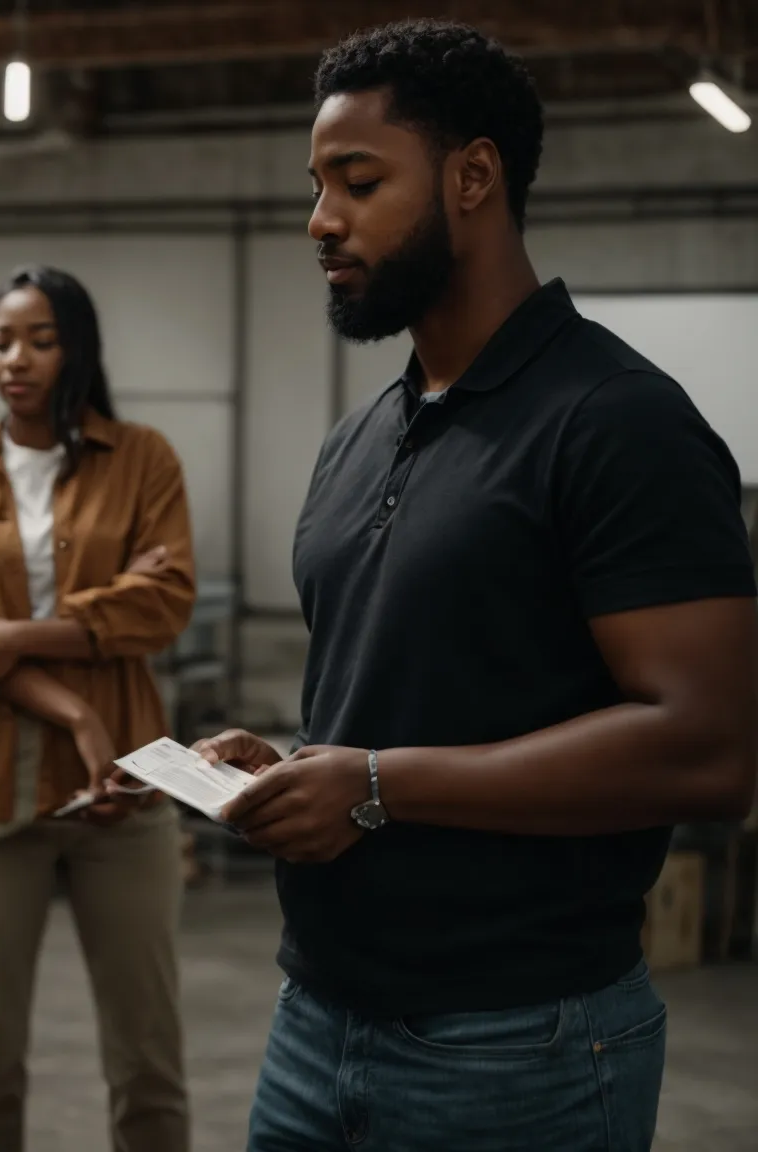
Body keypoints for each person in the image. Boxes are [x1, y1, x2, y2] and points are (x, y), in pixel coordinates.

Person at [193, 21, 758, 1152]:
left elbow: (708, 749)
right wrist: (301, 765)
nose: (319, 220)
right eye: (315, 185)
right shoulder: (358, 439)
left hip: (520, 1049)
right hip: (313, 1018)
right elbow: (412, 699)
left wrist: (374, 782)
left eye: (358, 181)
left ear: (471, 176)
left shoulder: (615, 423)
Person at [0, 266, 196, 1152]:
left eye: (39, 339)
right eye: (1, 341)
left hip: (129, 790)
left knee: (147, 1053)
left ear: (75, 349)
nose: (15, 360)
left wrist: (22, 634)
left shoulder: (143, 457)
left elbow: (168, 599)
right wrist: (78, 707)